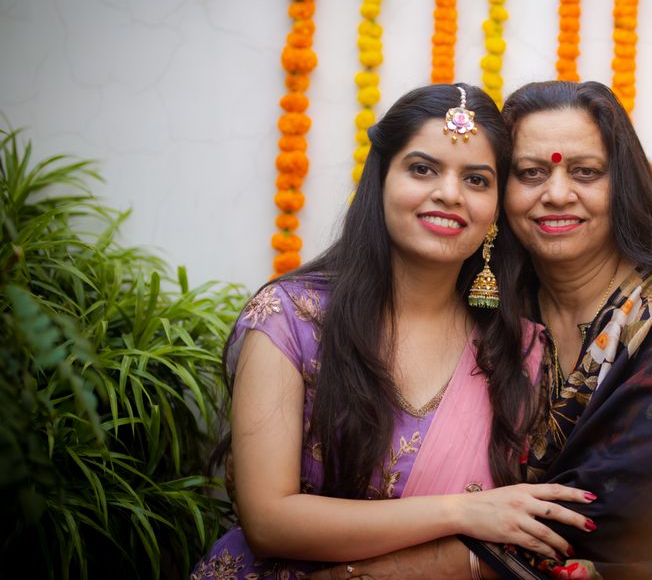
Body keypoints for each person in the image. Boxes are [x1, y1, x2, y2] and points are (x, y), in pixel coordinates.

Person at [312, 81, 652, 580]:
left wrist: (356, 574)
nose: (558, 194)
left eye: (586, 172)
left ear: (622, 186)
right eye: (531, 173)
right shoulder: (491, 314)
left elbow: (592, 526)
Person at [190, 84, 595, 580]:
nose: (449, 193)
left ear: (494, 211)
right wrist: (462, 511)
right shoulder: (291, 318)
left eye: (476, 179)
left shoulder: (521, 350)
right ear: (380, 179)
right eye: (423, 169)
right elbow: (269, 521)